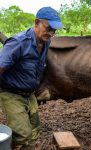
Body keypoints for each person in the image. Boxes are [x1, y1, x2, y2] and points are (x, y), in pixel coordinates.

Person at [0, 6, 63, 150]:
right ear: (36, 23)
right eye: (48, 28)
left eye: (54, 30)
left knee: (34, 130)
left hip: (30, 94)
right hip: (11, 94)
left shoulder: (46, 42)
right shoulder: (18, 43)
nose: (51, 33)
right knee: (22, 135)